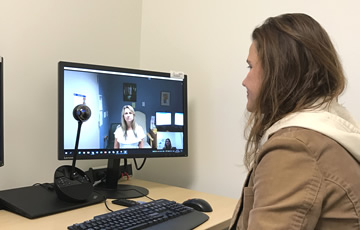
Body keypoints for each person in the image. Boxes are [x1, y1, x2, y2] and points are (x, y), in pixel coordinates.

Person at [229, 13, 360, 230]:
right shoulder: (326, 129)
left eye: (250, 67)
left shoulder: (294, 149)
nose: (244, 81)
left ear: (279, 73)